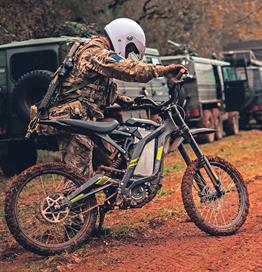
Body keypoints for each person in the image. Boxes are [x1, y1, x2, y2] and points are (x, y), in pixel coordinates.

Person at [47, 18, 186, 177]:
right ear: (123, 38)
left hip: (83, 117)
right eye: (129, 48)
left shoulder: (95, 50)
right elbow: (127, 69)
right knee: (79, 174)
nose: (127, 54)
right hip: (76, 117)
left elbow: (86, 86)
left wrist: (118, 98)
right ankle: (71, 202)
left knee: (108, 164)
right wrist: (163, 70)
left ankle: (110, 198)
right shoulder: (96, 52)